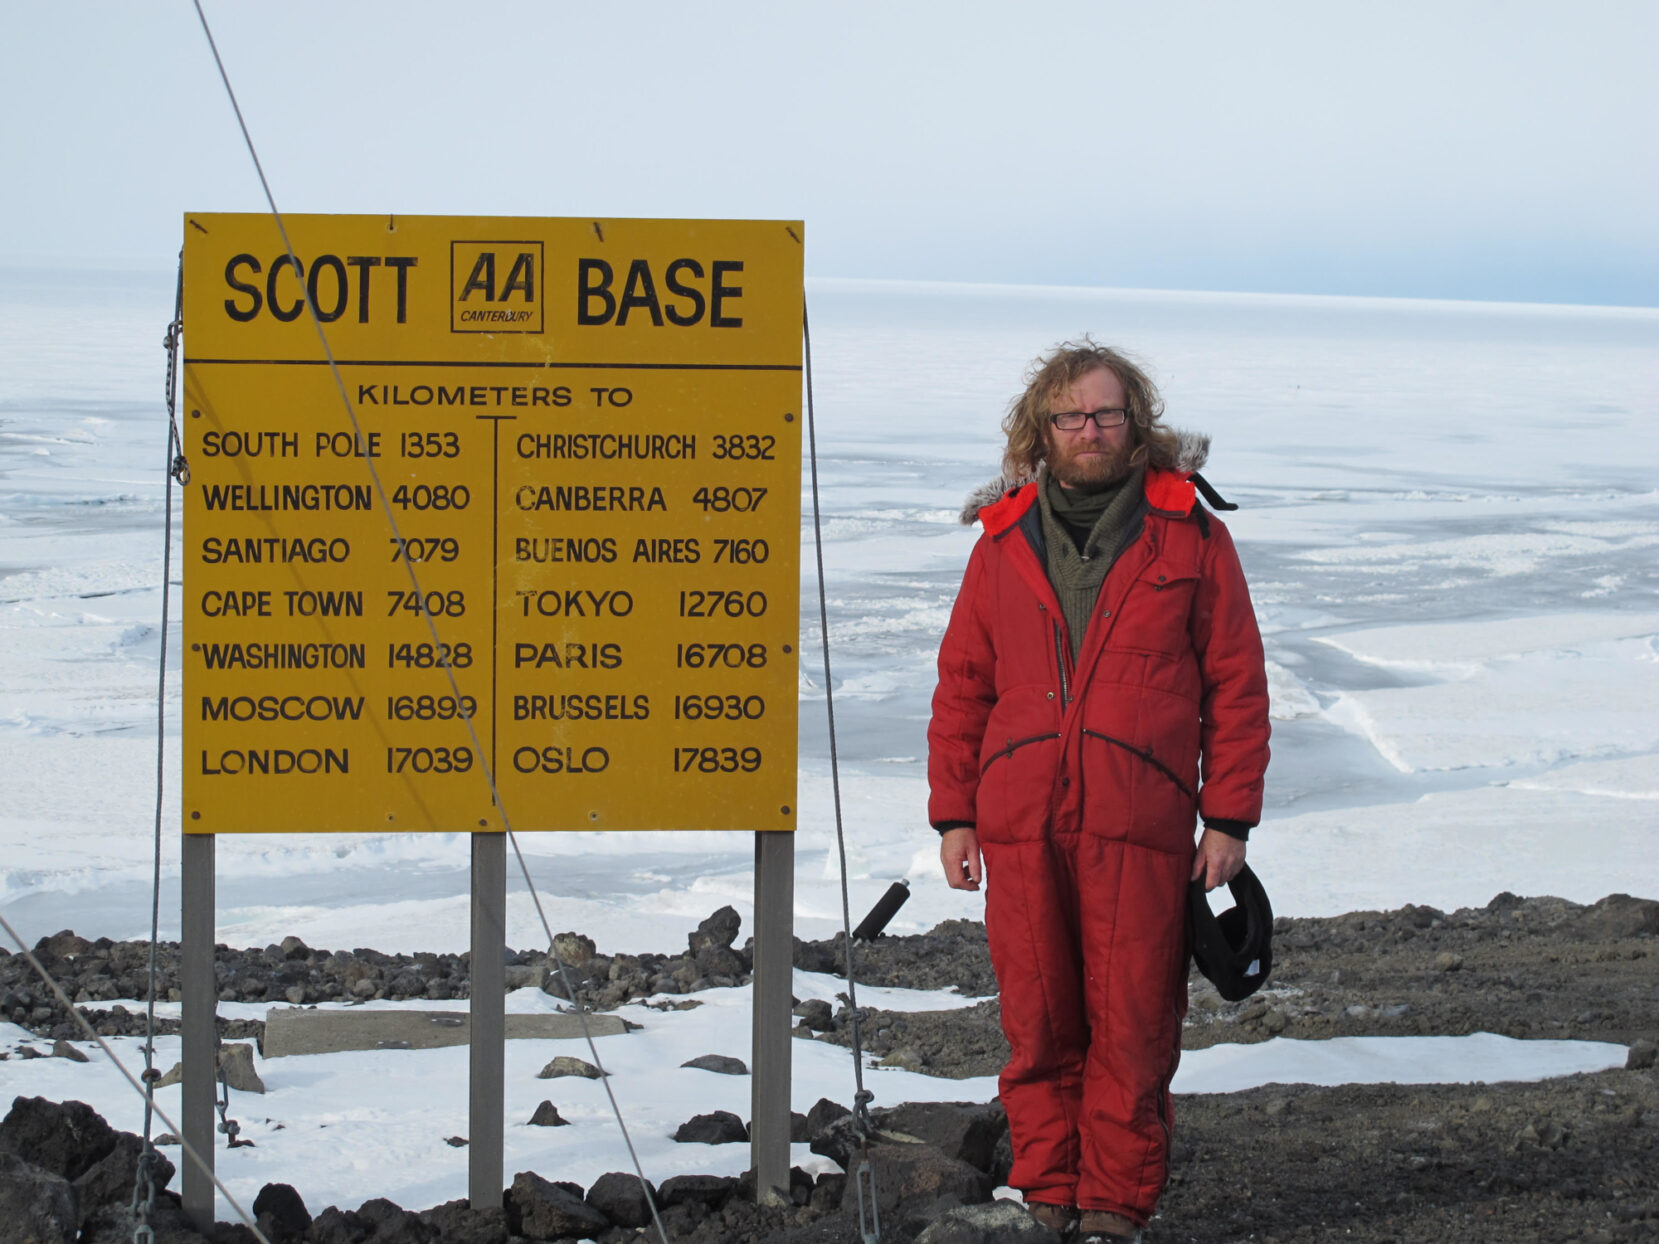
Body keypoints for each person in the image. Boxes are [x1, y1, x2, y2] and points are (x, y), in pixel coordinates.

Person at [927, 341, 1271, 1243]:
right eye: (1071, 416)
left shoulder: (1190, 535)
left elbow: (1235, 683)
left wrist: (1227, 816)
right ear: (1040, 427)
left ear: (1136, 424)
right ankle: (1047, 1193)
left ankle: (1115, 1205)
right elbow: (963, 686)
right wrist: (955, 814)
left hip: (1140, 822)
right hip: (1019, 823)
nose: (1089, 430)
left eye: (1107, 414)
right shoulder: (1001, 541)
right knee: (1038, 1021)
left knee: (1131, 1024)